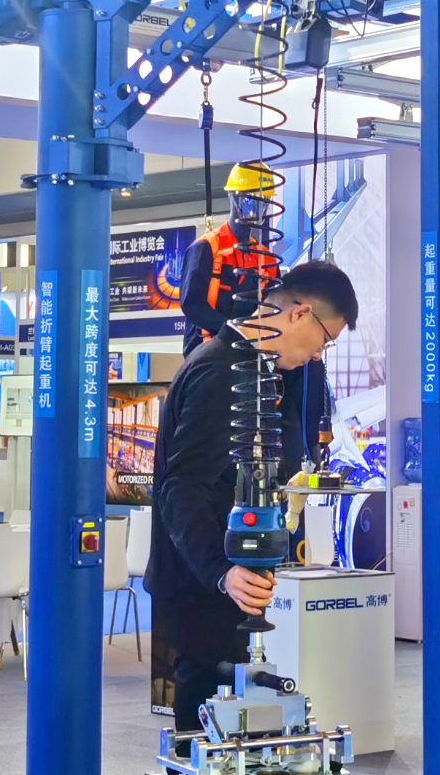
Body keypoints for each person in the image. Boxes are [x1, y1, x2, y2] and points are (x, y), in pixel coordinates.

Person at [149, 259, 351, 718]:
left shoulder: (254, 371)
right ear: (300, 314)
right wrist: (221, 571)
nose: (318, 355)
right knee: (207, 719)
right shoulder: (222, 373)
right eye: (325, 339)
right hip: (204, 584)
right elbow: (181, 487)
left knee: (232, 713)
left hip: (229, 577)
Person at [177, 163, 286, 346]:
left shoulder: (266, 260)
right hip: (207, 350)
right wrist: (232, 333)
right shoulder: (206, 248)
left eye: (264, 202)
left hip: (250, 352)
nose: (257, 208)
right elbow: (192, 304)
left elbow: (273, 309)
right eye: (250, 200)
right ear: (234, 197)